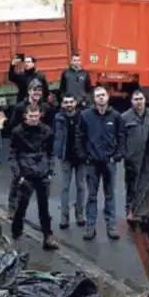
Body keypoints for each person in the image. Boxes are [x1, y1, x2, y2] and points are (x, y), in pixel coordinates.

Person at [76, 86, 126, 240]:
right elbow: (79, 137)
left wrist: (117, 156)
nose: (101, 98)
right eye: (98, 95)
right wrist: (84, 156)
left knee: (110, 195)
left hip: (110, 162)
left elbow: (121, 137)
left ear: (108, 97)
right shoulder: (85, 116)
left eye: (103, 95)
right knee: (92, 196)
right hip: (92, 163)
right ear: (94, 99)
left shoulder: (116, 116)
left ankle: (111, 226)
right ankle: (90, 227)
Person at [8, 105, 59, 250]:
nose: (34, 119)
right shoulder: (17, 132)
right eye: (31, 116)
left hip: (42, 173)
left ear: (40, 115)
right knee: (21, 207)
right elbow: (13, 155)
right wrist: (19, 175)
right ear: (25, 116)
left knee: (44, 208)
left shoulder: (47, 131)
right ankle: (16, 234)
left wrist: (50, 171)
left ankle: (47, 236)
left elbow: (50, 154)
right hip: (26, 174)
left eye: (36, 116)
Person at [53, 94, 86, 229]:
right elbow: (55, 135)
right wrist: (57, 152)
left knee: (81, 186)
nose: (69, 105)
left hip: (81, 157)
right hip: (66, 156)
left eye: (71, 102)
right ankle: (64, 216)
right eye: (66, 102)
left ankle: (80, 214)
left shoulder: (83, 117)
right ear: (62, 104)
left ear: (75, 103)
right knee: (65, 187)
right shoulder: (58, 118)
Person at [122, 90, 149, 214]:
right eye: (135, 99)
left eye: (140, 99)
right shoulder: (124, 118)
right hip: (132, 158)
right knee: (132, 186)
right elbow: (120, 138)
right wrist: (125, 154)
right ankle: (130, 210)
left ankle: (146, 210)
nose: (138, 102)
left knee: (148, 184)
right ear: (131, 102)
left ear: (145, 100)